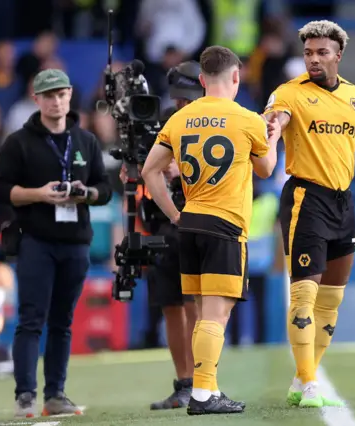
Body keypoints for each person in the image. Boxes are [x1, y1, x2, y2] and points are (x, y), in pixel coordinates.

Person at [263, 20, 355, 408]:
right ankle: (310, 382)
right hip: (306, 199)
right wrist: (272, 128)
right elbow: (278, 119)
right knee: (304, 296)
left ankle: (301, 378)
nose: (313, 59)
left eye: (321, 52)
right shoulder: (288, 94)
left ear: (338, 55)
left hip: (343, 203)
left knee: (331, 300)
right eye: (308, 52)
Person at [141, 45, 280, 415]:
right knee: (215, 317)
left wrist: (174, 214)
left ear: (202, 81)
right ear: (236, 77)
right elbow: (266, 168)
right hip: (225, 225)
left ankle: (207, 387)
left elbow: (149, 171)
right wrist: (276, 133)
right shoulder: (246, 118)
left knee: (202, 313)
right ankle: (203, 394)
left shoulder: (179, 119)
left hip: (190, 224)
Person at [0, 69, 112, 418]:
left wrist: (84, 192)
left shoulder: (86, 140)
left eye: (61, 94)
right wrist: (38, 195)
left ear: (70, 94)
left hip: (75, 242)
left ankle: (55, 393)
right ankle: (25, 394)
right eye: (49, 95)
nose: (56, 100)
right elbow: (0, 189)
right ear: (37, 99)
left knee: (63, 320)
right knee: (31, 319)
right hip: (36, 240)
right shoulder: (19, 142)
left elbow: (103, 188)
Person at [120, 61, 203, 410]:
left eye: (188, 98)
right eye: (178, 99)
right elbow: (136, 170)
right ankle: (183, 382)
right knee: (171, 304)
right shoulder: (162, 120)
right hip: (162, 222)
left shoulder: (213, 121)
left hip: (197, 216)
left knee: (194, 304)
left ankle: (203, 381)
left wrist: (179, 169)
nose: (182, 105)